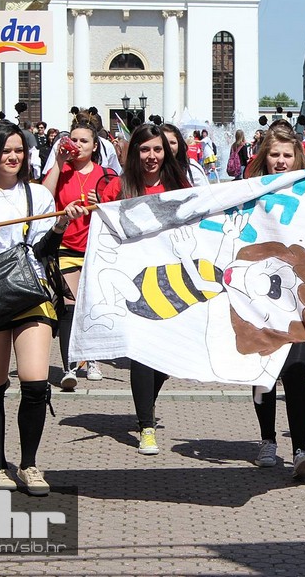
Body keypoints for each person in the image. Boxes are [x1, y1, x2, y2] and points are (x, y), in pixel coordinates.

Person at [0, 121, 87, 495]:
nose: (13, 157)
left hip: (30, 293)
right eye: (6, 150)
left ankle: (29, 465)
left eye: (19, 150)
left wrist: (58, 226)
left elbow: (43, 253)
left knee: (35, 382)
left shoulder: (37, 195)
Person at [99, 124, 192, 455]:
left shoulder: (179, 186)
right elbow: (104, 234)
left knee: (166, 360)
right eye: (144, 150)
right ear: (133, 153)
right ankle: (146, 426)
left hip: (172, 282)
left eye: (157, 149)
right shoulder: (118, 188)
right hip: (132, 283)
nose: (151, 156)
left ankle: (145, 406)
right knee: (143, 353)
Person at [243, 125, 305, 479]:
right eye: (275, 155)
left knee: (297, 371)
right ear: (264, 157)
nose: (281, 161)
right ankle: (268, 439)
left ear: (298, 157)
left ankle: (301, 448)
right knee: (264, 373)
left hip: (301, 297)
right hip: (260, 297)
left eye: (287, 155)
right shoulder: (249, 192)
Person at [43, 121, 114, 390]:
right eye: (74, 139)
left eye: (85, 141)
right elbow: (43, 197)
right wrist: (59, 163)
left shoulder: (105, 175)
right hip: (66, 245)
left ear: (95, 146)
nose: (78, 144)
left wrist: (102, 204)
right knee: (69, 307)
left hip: (96, 247)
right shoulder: (60, 171)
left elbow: (119, 207)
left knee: (93, 306)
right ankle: (69, 366)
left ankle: (92, 358)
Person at [161, 123, 209, 187]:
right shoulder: (151, 169)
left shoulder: (192, 169)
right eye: (164, 142)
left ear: (179, 144)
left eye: (172, 143)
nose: (168, 147)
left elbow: (205, 194)